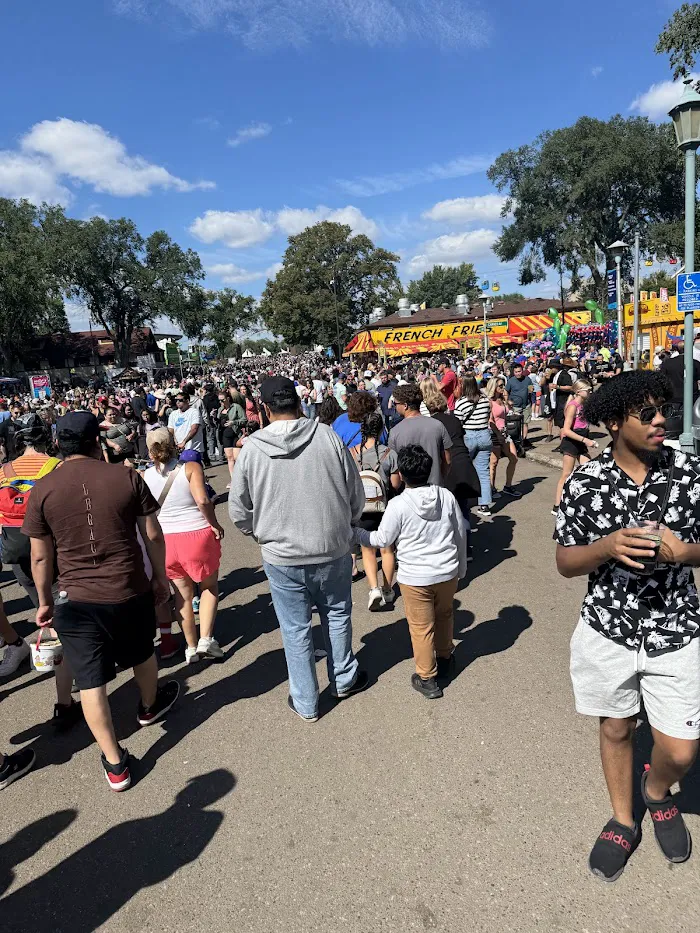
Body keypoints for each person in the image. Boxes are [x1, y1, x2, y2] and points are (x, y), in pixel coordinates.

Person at [555, 370, 700, 881]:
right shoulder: (586, 483)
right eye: (648, 413)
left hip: (674, 626)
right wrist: (607, 547)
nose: (661, 419)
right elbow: (565, 562)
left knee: (681, 747)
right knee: (617, 726)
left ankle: (656, 790)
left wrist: (687, 552)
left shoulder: (690, 471)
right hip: (607, 628)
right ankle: (623, 818)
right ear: (614, 422)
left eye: (663, 409)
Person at [21, 412, 180, 792]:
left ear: (58, 444)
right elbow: (153, 535)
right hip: (127, 586)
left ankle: (115, 763)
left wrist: (43, 601)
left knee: (91, 680)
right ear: (99, 441)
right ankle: (148, 705)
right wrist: (161, 578)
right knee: (141, 652)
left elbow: (40, 557)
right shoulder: (126, 476)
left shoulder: (43, 489)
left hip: (73, 597)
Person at [229, 376, 368, 722]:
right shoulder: (327, 437)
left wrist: (259, 534)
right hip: (331, 546)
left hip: (282, 555)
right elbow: (356, 494)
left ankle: (306, 700)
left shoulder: (252, 449)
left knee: (295, 628)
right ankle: (344, 678)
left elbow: (238, 511)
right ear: (298, 402)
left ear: (264, 408)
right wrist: (345, 525)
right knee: (337, 613)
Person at [354, 444, 467, 699]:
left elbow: (383, 539)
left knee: (421, 627)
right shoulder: (445, 496)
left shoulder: (398, 505)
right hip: (447, 571)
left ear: (402, 475)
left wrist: (357, 533)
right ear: (429, 471)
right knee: (445, 615)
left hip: (416, 577)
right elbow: (460, 533)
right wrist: (461, 567)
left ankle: (427, 677)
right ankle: (446, 658)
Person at [144, 429, 224, 663]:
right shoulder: (191, 468)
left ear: (150, 451)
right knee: (208, 587)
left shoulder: (145, 475)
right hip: (196, 534)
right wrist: (215, 524)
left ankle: (190, 647)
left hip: (166, 540)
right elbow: (202, 500)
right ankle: (206, 640)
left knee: (182, 595)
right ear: (174, 446)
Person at [349, 411, 401, 610]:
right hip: (384, 507)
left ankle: (374, 589)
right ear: (381, 430)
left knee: (367, 548)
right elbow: (395, 484)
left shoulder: (353, 453)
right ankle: (388, 588)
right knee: (387, 549)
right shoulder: (389, 453)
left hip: (362, 508)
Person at [389, 383, 452, 489]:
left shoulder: (395, 431)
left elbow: (395, 468)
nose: (395, 407)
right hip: (435, 487)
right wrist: (441, 479)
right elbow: (447, 460)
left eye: (396, 404)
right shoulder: (437, 425)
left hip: (409, 492)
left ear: (405, 406)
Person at [553, 379, 598, 516]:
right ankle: (557, 506)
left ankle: (585, 502)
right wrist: (586, 440)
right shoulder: (572, 406)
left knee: (591, 471)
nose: (590, 392)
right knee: (566, 474)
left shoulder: (583, 405)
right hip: (571, 442)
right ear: (579, 391)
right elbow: (566, 430)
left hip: (580, 442)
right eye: (588, 390)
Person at [455, 376, 493, 518]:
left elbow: (458, 422)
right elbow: (487, 415)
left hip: (468, 436)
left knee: (462, 469)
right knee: (483, 471)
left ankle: (463, 500)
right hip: (484, 435)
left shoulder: (461, 402)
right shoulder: (484, 400)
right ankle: (485, 505)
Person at [485, 378, 522, 500]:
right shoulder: (490, 402)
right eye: (500, 386)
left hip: (505, 433)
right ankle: (491, 488)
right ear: (494, 387)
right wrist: (498, 434)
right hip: (494, 434)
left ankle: (508, 486)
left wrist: (507, 401)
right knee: (494, 462)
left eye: (503, 385)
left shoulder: (502, 400)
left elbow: (508, 413)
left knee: (514, 458)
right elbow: (490, 420)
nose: (503, 388)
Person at [660, 339, 700, 407]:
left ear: (677, 350)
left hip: (673, 398)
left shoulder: (667, 363)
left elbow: (662, 380)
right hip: (692, 398)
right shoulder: (695, 363)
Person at [221, 388, 247, 485]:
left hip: (236, 433)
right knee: (229, 458)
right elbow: (217, 424)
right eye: (219, 400)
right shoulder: (220, 409)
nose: (221, 402)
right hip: (225, 435)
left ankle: (242, 478)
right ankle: (234, 480)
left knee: (237, 457)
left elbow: (244, 419)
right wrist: (214, 417)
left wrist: (234, 422)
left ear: (228, 398)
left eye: (222, 400)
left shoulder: (236, 407)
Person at [505, 363, 534, 445]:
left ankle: (524, 439)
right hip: (515, 406)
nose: (518, 373)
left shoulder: (527, 379)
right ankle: (516, 440)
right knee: (516, 424)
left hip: (526, 404)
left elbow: (530, 389)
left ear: (522, 371)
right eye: (516, 372)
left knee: (525, 423)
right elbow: (506, 391)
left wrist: (531, 390)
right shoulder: (511, 381)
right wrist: (507, 401)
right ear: (513, 372)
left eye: (519, 371)